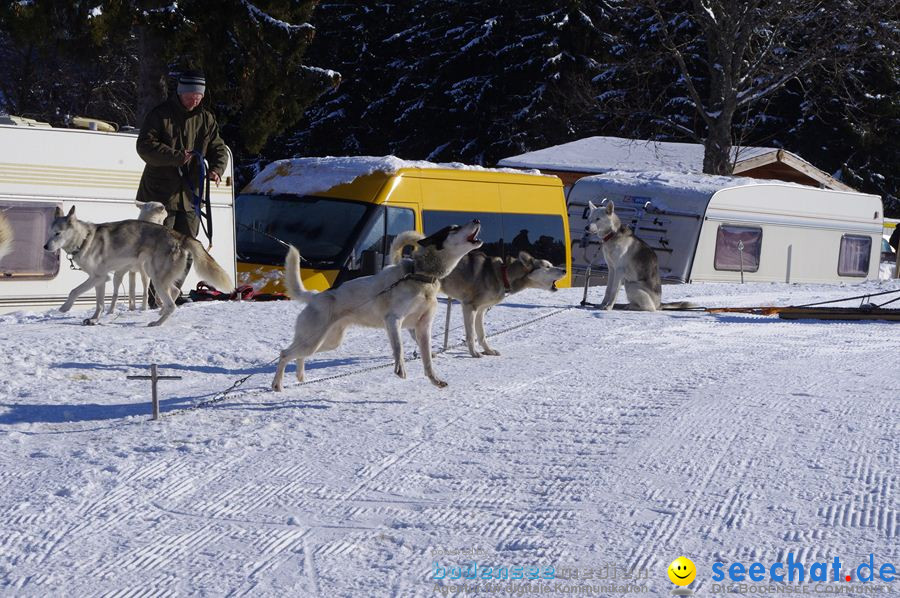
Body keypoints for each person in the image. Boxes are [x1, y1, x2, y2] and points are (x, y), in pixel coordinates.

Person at [136, 70, 228, 304]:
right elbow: (145, 147)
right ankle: (155, 296)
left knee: (188, 248)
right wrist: (176, 157)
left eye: (199, 95)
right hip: (159, 197)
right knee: (158, 249)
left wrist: (217, 168)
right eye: (190, 94)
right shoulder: (160, 115)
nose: (195, 99)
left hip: (190, 196)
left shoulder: (207, 119)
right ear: (180, 92)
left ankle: (172, 294)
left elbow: (218, 147)